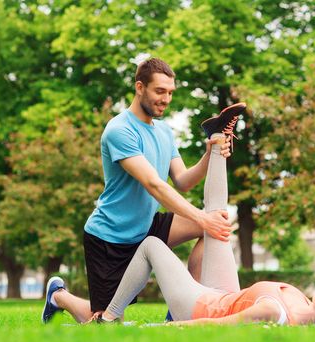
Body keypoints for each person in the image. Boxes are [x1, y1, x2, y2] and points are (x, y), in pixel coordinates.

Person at [43, 132, 315, 325]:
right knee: (217, 222)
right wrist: (212, 156)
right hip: (220, 291)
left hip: (202, 306)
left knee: (152, 246)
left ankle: (98, 314)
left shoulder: (277, 312)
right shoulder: (302, 304)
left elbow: (220, 325)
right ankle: (217, 141)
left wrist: (168, 329)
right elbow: (176, 182)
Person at [41, 57, 248, 323]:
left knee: (212, 225)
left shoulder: (164, 131)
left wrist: (209, 155)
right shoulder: (119, 130)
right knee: (103, 320)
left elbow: (183, 181)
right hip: (111, 238)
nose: (166, 99)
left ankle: (188, 307)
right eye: (159, 91)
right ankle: (58, 295)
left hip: (147, 225)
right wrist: (200, 217)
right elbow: (154, 185)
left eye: (170, 92)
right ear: (140, 87)